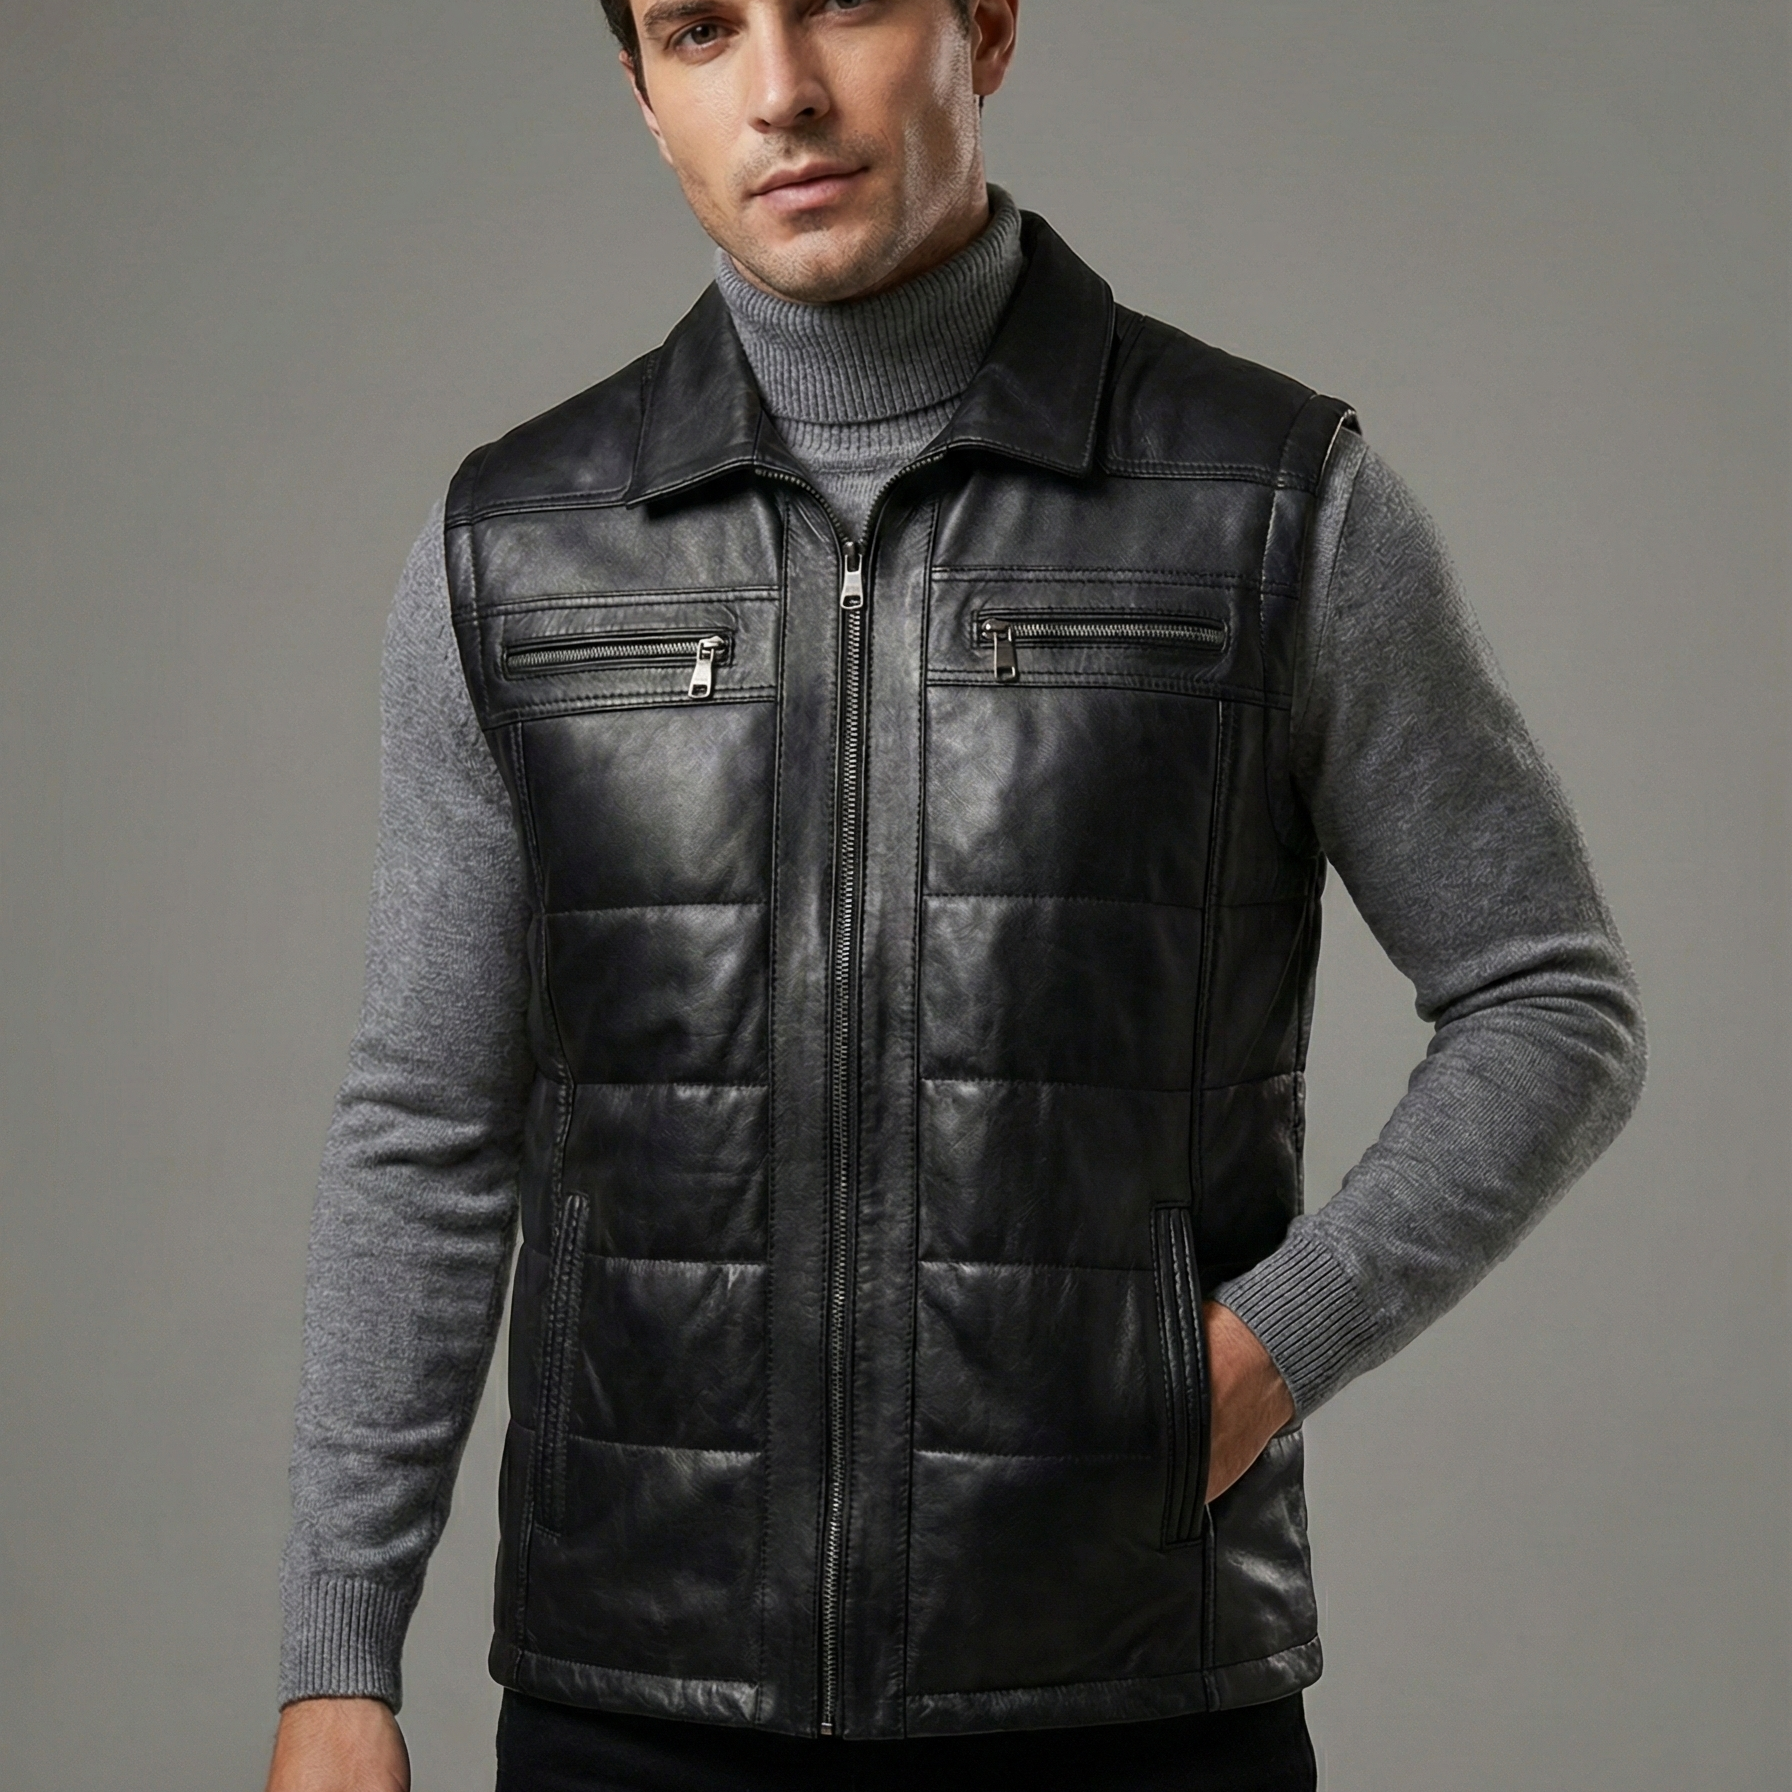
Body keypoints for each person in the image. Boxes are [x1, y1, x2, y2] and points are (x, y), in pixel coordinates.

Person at [265, 2, 1646, 1787]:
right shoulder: (517, 549)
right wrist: (339, 1655)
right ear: (645, 96)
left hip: (1128, 1696)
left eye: (844, 1)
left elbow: (1549, 1001)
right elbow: (427, 1126)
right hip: (636, 1704)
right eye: (702, 30)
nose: (783, 91)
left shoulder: (1268, 504)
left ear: (986, 26)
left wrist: (1259, 1355)